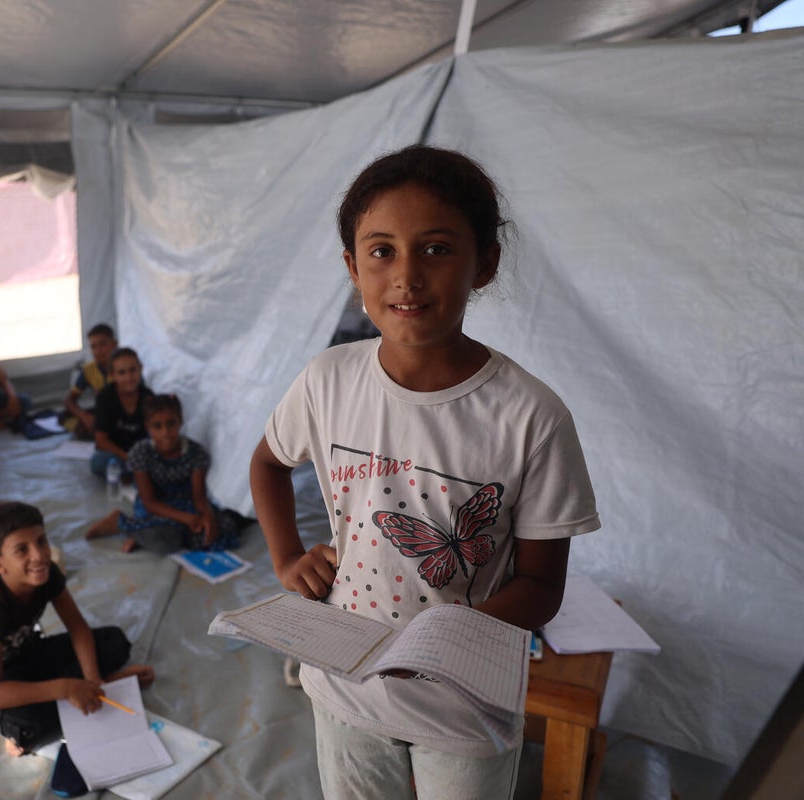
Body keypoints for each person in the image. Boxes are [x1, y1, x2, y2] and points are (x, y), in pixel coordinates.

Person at [248, 145, 601, 800]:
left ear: (485, 263)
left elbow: (541, 585)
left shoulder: (532, 417)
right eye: (381, 251)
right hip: (343, 684)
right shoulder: (327, 381)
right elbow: (268, 463)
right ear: (353, 267)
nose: (406, 276)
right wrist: (287, 556)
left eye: (436, 248)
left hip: (462, 705)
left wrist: (444, 643)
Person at [0, 501, 155, 756]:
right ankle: (80, 693)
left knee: (114, 641)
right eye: (21, 550)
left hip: (30, 653)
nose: (38, 555)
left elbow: (78, 628)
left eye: (41, 541)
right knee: (26, 725)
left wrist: (93, 677)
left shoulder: (49, 575)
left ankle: (95, 688)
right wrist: (65, 687)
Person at [87, 394, 241, 554]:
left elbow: (199, 497)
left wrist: (208, 516)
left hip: (184, 502)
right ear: (148, 427)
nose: (166, 433)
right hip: (154, 507)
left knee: (219, 528)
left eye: (171, 424)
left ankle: (141, 535)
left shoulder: (196, 453)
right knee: (167, 542)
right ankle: (119, 522)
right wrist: (186, 519)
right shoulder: (141, 453)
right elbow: (149, 502)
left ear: (180, 421)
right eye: (157, 426)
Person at [90, 347, 154, 479]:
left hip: (141, 452)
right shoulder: (105, 397)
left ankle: (138, 474)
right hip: (117, 454)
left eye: (132, 370)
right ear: (112, 375)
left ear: (140, 369)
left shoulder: (148, 397)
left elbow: (154, 435)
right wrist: (128, 457)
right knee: (99, 463)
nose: (129, 377)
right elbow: (101, 440)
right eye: (122, 373)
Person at [62, 323, 117, 438]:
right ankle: (91, 430)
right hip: (101, 413)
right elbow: (69, 400)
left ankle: (96, 432)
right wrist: (84, 416)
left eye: (103, 344)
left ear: (114, 345)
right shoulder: (89, 369)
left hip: (121, 413)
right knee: (64, 417)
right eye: (93, 346)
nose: (98, 350)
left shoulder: (123, 367)